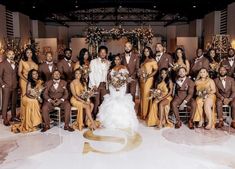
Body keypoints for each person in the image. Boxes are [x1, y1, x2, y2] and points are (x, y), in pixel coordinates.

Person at [97, 55, 138, 131]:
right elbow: (109, 79)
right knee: (113, 101)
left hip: (121, 87)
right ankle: (111, 121)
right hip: (112, 87)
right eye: (115, 59)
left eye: (118, 59)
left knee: (120, 101)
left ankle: (122, 121)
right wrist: (114, 84)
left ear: (120, 60)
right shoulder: (111, 69)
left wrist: (119, 85)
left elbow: (126, 78)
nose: (116, 61)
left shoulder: (124, 67)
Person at [89, 46, 110, 116]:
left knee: (104, 101)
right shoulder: (93, 62)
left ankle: (101, 117)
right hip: (96, 85)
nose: (103, 54)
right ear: (99, 53)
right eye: (101, 52)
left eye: (104, 52)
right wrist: (93, 84)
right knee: (96, 101)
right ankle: (94, 116)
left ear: (106, 53)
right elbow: (91, 73)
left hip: (104, 84)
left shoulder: (108, 62)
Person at [0, 49, 20, 126]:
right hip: (6, 87)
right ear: (7, 55)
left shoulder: (15, 63)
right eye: (10, 54)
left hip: (14, 86)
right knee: (5, 103)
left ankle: (13, 116)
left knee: (14, 103)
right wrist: (3, 85)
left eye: (13, 54)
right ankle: (5, 118)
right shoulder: (2, 64)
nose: (11, 56)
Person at [139, 46, 158, 119]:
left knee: (146, 95)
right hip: (142, 80)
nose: (146, 52)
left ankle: (146, 114)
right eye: (145, 51)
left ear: (150, 52)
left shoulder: (152, 60)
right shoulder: (143, 60)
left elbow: (156, 70)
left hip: (149, 80)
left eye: (147, 51)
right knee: (142, 95)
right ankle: (142, 112)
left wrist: (148, 76)